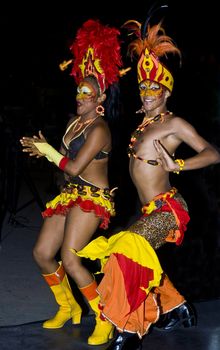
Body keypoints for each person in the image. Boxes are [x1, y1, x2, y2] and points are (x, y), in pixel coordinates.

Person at [74, 14, 220, 350]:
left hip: (169, 208)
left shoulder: (174, 123)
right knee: (135, 256)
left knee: (127, 252)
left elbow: (213, 153)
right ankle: (177, 308)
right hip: (148, 209)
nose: (147, 93)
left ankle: (130, 329)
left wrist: (179, 163)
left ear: (167, 91)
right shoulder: (142, 125)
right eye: (143, 87)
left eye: (155, 87)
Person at [20, 19, 123, 346]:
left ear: (100, 98)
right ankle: (68, 307)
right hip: (71, 194)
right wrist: (46, 153)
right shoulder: (73, 122)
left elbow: (75, 164)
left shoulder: (100, 130)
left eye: (86, 93)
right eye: (78, 90)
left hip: (93, 198)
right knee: (41, 252)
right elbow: (65, 169)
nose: (79, 96)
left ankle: (103, 319)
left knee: (70, 257)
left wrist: (49, 151)